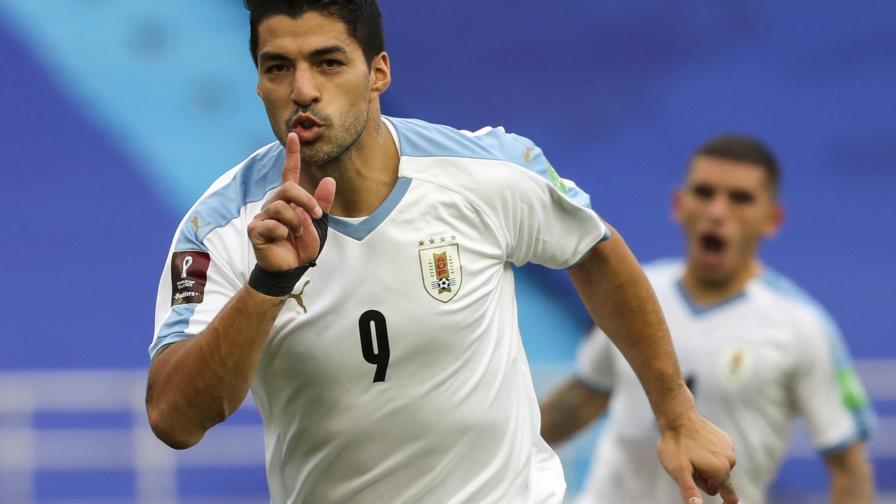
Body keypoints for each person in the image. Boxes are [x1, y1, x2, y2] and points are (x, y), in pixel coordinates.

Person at [144, 1, 738, 502]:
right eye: (278, 68)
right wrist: (267, 286)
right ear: (259, 83)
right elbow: (174, 419)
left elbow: (595, 251)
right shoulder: (223, 227)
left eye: (329, 62)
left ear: (378, 72)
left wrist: (676, 414)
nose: (303, 90)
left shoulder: (488, 171)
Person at [540, 135, 876, 503]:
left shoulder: (801, 326)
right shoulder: (632, 292)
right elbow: (584, 398)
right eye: (704, 193)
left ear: (772, 219)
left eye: (740, 198)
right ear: (679, 204)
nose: (717, 211)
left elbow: (848, 466)